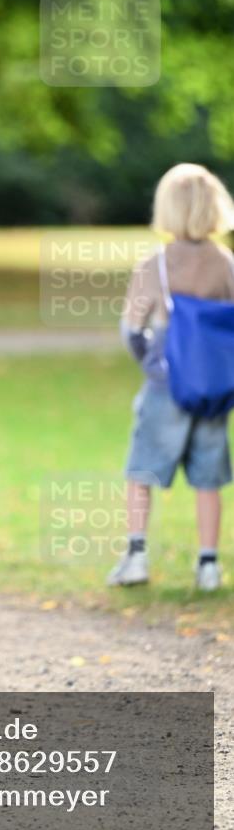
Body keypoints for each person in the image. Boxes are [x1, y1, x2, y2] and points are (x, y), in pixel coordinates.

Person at [108, 163, 234, 592]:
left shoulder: (155, 266)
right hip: (213, 389)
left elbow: (131, 329)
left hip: (167, 385)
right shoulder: (226, 264)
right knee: (209, 478)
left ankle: (137, 556)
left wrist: (150, 361)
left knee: (142, 470)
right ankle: (208, 565)